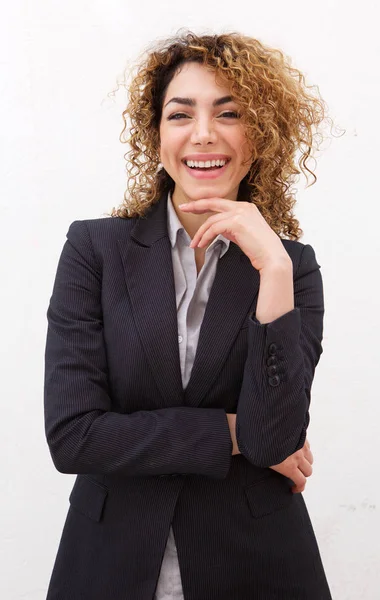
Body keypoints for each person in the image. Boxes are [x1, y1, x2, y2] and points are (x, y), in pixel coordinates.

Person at [44, 30, 333, 599]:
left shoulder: (291, 266)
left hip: (254, 564)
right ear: (157, 138)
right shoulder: (94, 251)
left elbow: (274, 440)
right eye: (181, 114)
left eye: (230, 113)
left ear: (259, 138)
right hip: (110, 560)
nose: (204, 134)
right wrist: (229, 431)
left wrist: (271, 268)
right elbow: (73, 437)